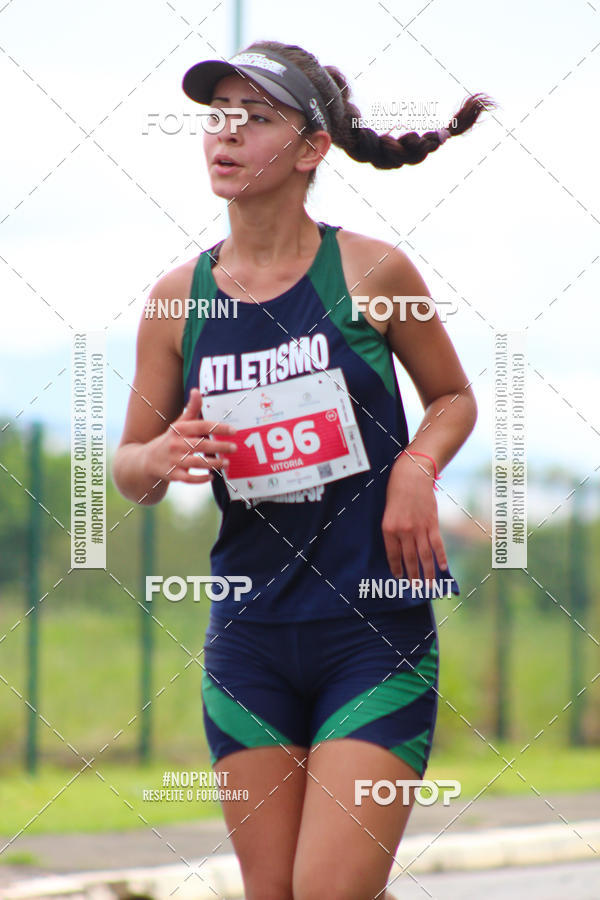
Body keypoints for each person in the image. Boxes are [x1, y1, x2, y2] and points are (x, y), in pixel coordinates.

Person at [113, 39, 494, 900]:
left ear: (312, 148)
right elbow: (130, 469)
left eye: (255, 118)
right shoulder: (177, 301)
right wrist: (161, 455)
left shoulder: (371, 271)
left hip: (372, 633)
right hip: (249, 640)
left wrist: (416, 468)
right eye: (219, 117)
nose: (227, 134)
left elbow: (452, 398)